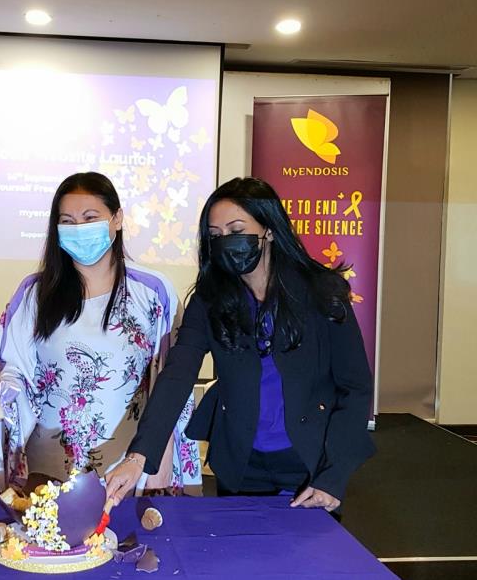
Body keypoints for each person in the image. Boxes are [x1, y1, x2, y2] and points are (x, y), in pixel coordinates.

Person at [105, 177, 375, 512]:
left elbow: (355, 387)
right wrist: (138, 456)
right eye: (215, 236)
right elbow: (177, 374)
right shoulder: (209, 300)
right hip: (242, 464)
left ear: (270, 230)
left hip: (310, 463)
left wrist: (333, 477)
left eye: (236, 230)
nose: (225, 243)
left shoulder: (321, 292)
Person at [0, 172, 201, 497]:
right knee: (53, 545)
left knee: (134, 546)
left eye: (90, 218)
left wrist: (159, 458)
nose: (78, 229)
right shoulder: (34, 293)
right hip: (51, 468)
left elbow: (173, 382)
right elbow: (11, 366)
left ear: (117, 219)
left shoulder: (153, 293)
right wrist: (6, 391)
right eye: (68, 221)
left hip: (131, 467)